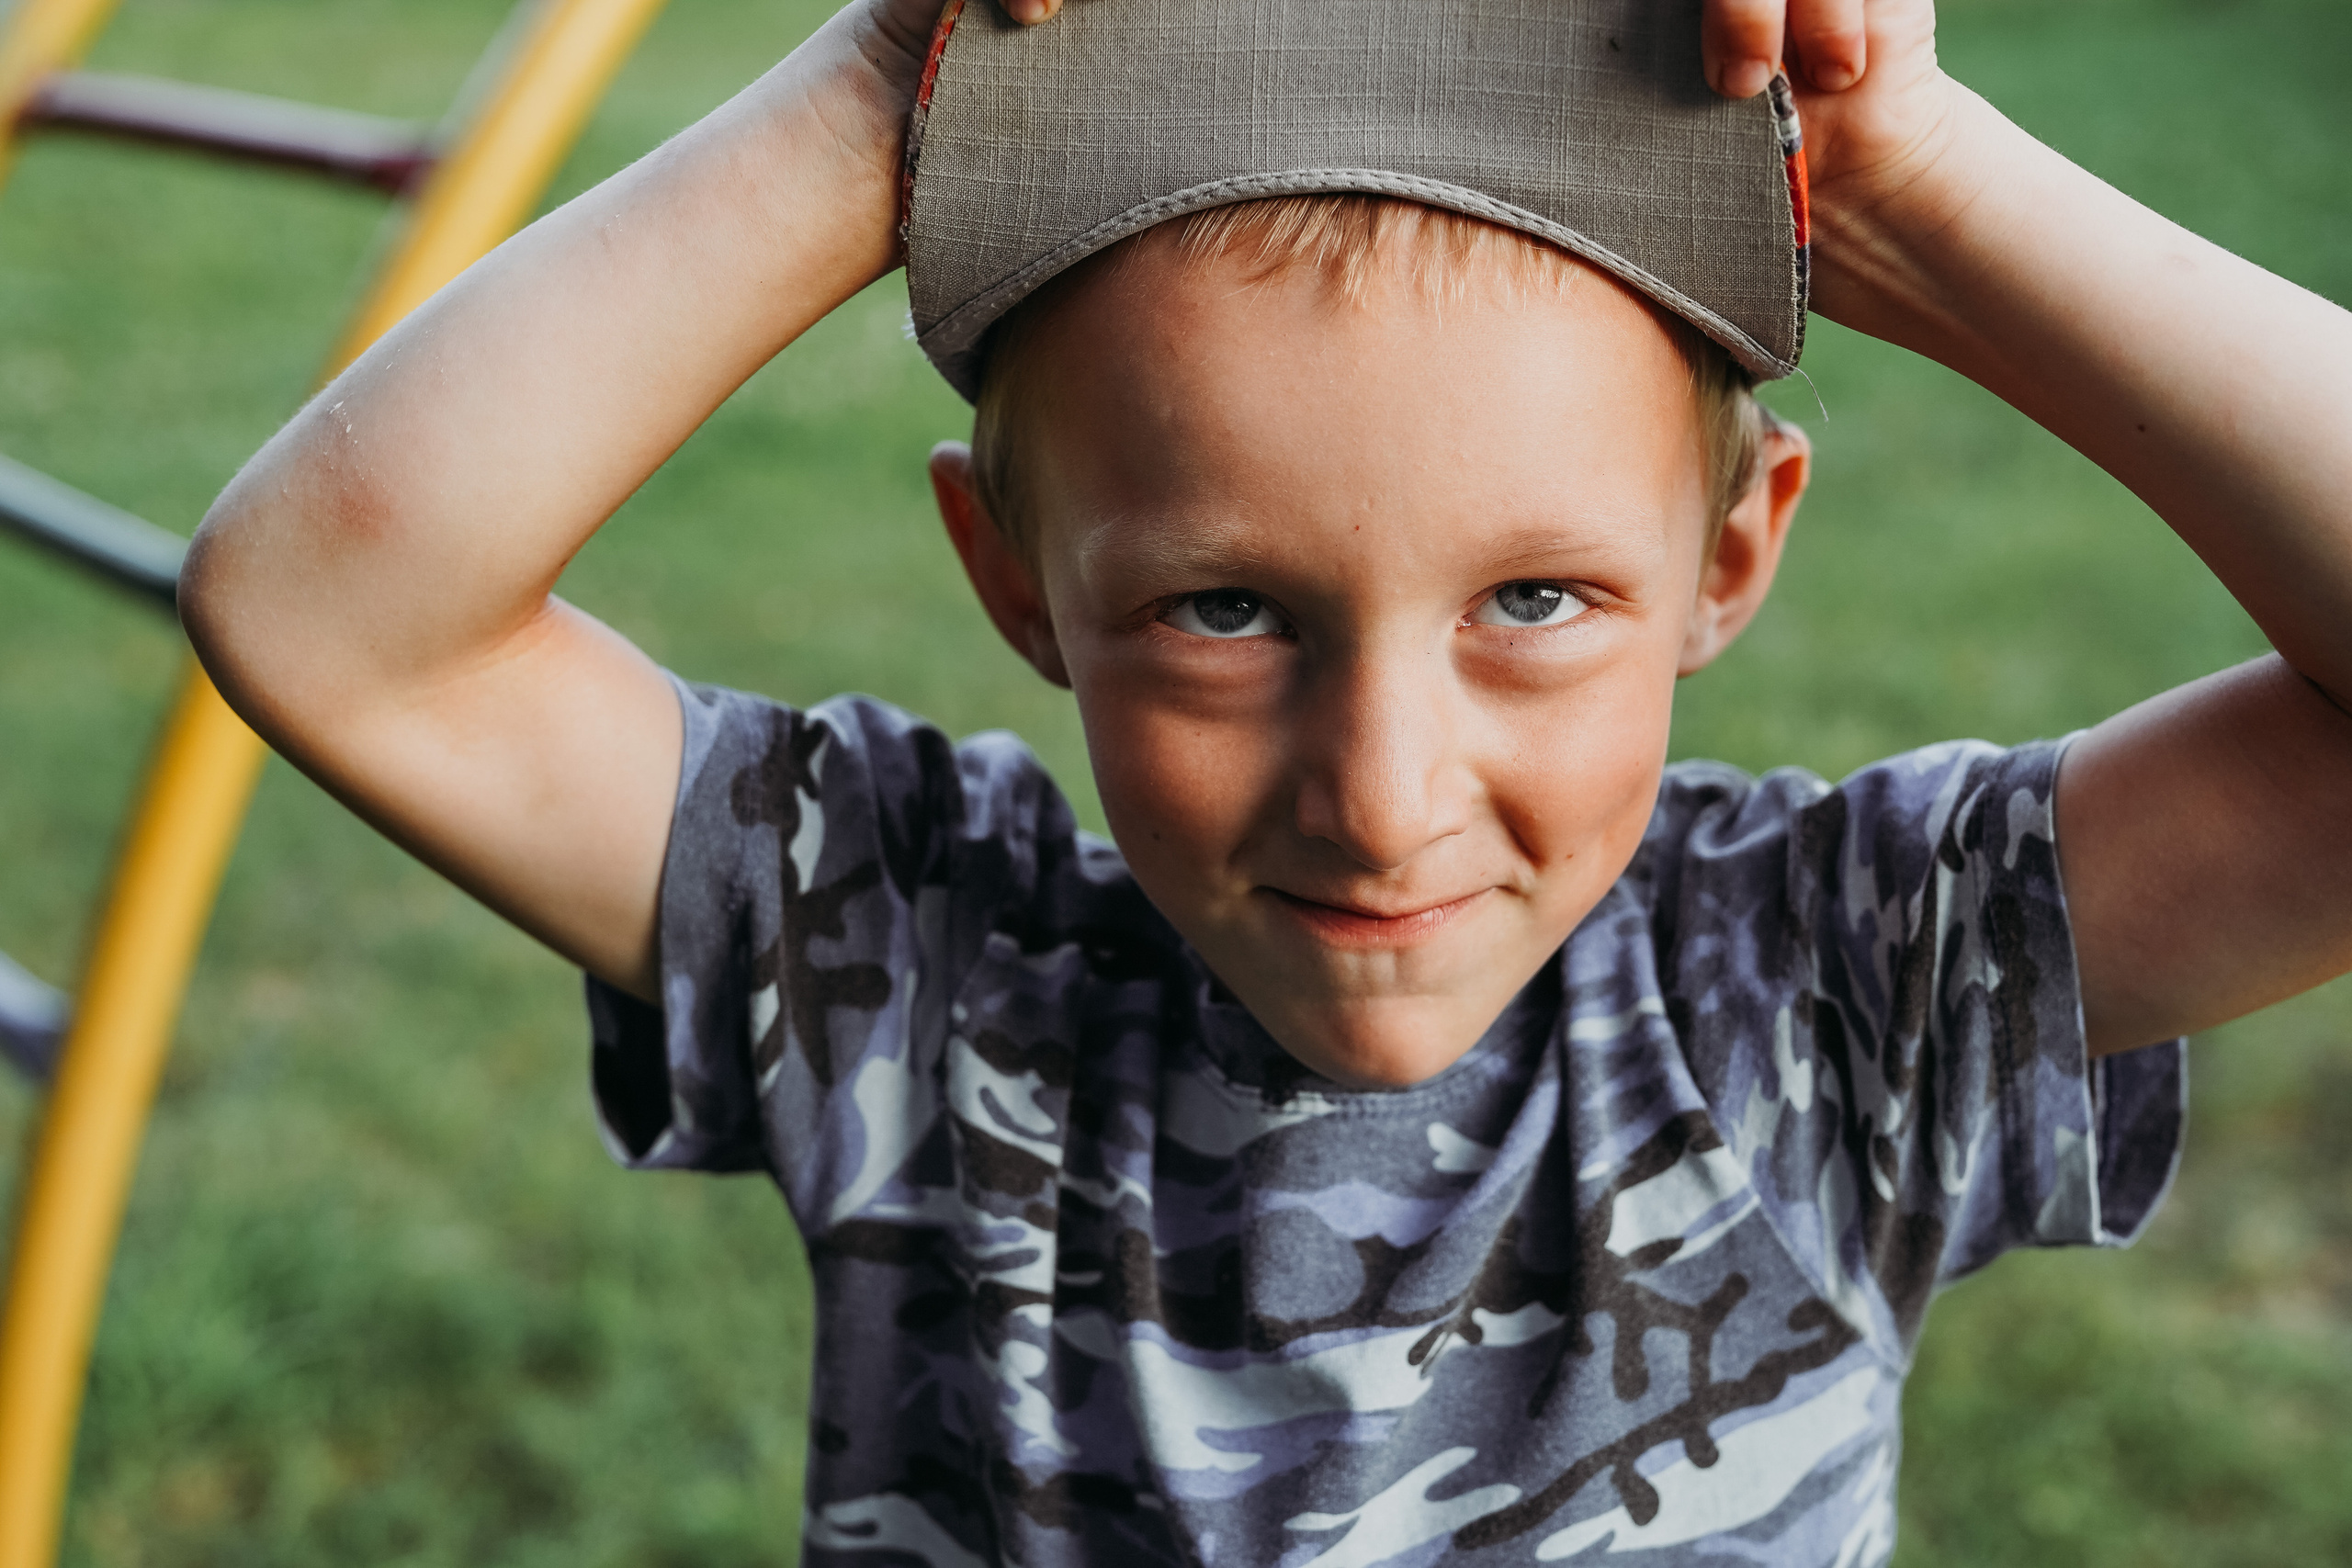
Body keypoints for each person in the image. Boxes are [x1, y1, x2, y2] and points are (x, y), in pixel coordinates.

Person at [178, 0, 2352, 1559]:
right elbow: (328, 611)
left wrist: (1923, 190)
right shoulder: (923, 960)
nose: (1381, 792)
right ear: (1014, 577)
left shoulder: (1835, 988)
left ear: (1730, 552)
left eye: (1531, 598)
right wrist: (881, 93)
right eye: (1225, 610)